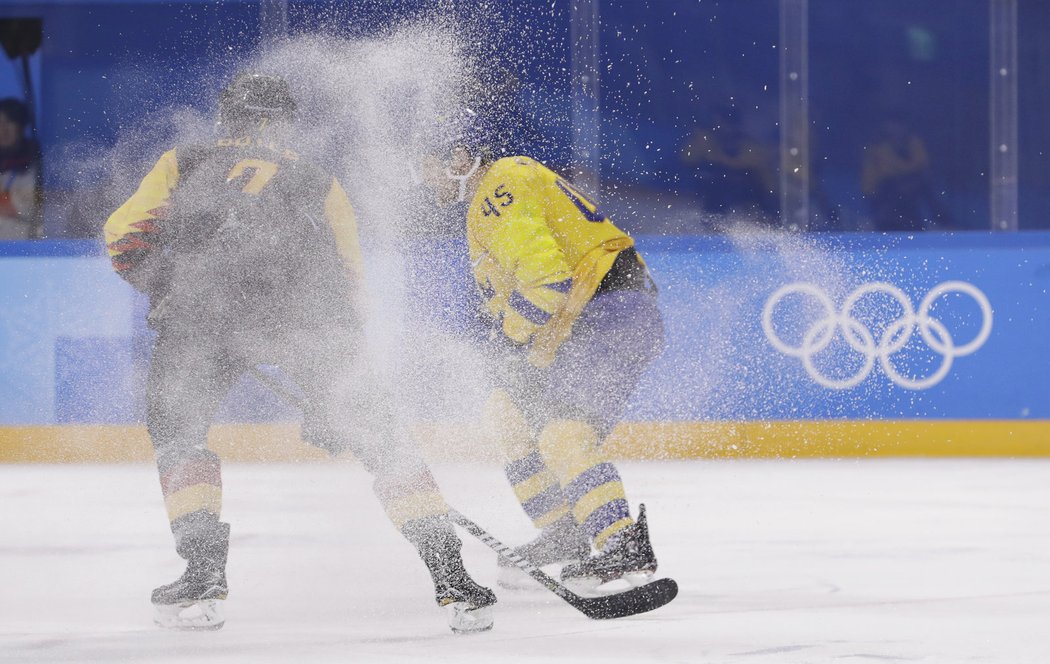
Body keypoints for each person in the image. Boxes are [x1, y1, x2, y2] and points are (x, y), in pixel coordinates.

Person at [102, 73, 495, 633]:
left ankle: (203, 572)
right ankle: (454, 578)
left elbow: (123, 235)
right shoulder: (320, 181)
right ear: (284, 125)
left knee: (178, 433)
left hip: (202, 316)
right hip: (305, 319)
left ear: (225, 116)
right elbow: (351, 287)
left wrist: (166, 285)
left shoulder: (183, 160)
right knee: (383, 441)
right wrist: (336, 386)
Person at [420, 134, 667, 595]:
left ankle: (622, 542)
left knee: (563, 434)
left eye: (428, 163)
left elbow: (549, 283)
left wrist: (509, 340)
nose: (422, 178)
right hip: (580, 323)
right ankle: (566, 530)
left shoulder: (497, 188)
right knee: (505, 414)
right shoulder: (496, 194)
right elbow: (514, 298)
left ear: (459, 157)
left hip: (607, 313)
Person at [860, 116, 953, 232]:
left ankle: (943, 223)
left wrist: (912, 179)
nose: (895, 129)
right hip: (883, 193)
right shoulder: (878, 148)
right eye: (892, 126)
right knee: (895, 188)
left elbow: (922, 166)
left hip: (911, 191)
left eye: (899, 125)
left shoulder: (915, 144)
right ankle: (886, 223)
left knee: (921, 186)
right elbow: (880, 175)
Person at [0, 97, 40, 240]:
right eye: (0, 123)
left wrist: (7, 201)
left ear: (21, 127)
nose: (3, 129)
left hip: (23, 246)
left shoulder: (36, 162)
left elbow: (29, 206)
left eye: (9, 122)